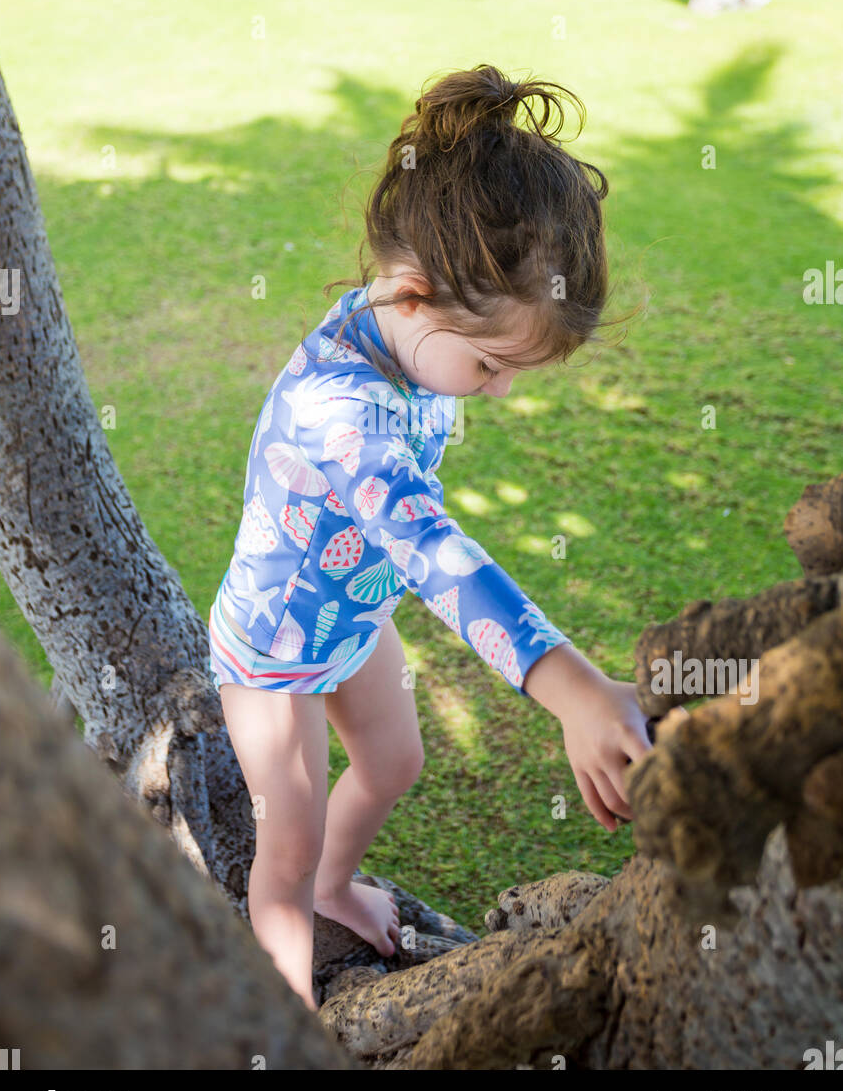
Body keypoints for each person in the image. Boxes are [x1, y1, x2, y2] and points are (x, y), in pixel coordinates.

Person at [208, 63, 653, 1012]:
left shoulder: (403, 324)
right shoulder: (341, 414)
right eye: (491, 364)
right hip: (273, 652)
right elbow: (439, 559)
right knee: (281, 852)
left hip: (355, 613)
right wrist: (571, 688)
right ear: (410, 296)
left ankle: (337, 887)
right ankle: (286, 1020)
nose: (497, 390)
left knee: (396, 761)